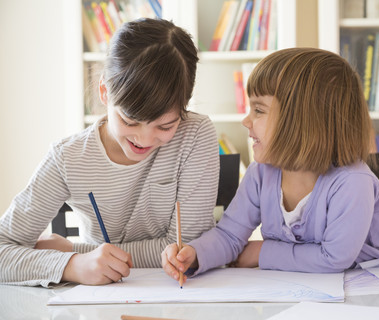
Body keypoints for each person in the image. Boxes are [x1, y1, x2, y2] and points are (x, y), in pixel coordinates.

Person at [161, 47, 379, 282]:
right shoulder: (261, 174)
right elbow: (230, 235)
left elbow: (334, 259)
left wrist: (262, 252)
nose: (246, 121)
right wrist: (194, 255)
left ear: (303, 122)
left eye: (258, 110)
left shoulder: (352, 182)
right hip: (309, 288)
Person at [0, 18, 219, 287]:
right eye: (129, 120)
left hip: (181, 295)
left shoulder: (196, 134)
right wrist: (72, 266)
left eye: (165, 126)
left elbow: (184, 250)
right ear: (104, 91)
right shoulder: (67, 158)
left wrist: (73, 252)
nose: (144, 139)